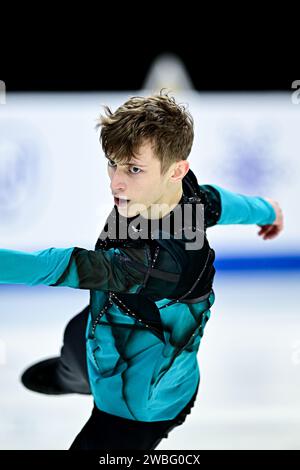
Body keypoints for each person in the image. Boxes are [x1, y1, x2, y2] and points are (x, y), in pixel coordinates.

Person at [0, 92, 284, 450]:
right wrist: (267, 210)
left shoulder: (158, 264)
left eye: (133, 169)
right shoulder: (183, 192)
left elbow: (55, 266)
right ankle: (73, 373)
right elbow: (217, 201)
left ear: (175, 169)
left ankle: (80, 374)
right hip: (108, 327)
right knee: (77, 332)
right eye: (112, 163)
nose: (116, 182)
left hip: (139, 403)